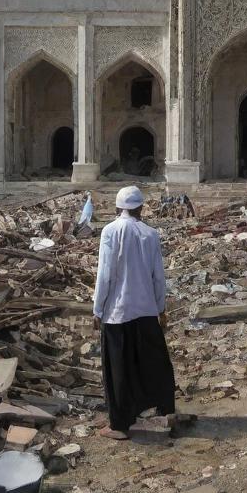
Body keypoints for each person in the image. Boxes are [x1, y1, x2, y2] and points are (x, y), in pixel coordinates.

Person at [93, 185, 176, 439]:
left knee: (118, 369)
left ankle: (119, 425)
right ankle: (164, 410)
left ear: (118, 207)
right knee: (152, 363)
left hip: (117, 313)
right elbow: (157, 277)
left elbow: (104, 275)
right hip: (146, 310)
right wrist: (161, 308)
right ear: (141, 208)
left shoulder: (110, 231)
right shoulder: (150, 234)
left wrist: (97, 309)